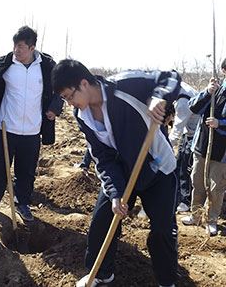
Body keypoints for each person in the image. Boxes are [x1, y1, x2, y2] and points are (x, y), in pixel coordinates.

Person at [51, 59, 180, 287]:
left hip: (158, 168)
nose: (69, 103)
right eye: (65, 99)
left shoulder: (125, 86)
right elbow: (102, 156)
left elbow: (170, 77)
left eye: (70, 96)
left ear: (83, 83)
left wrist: (159, 97)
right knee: (102, 221)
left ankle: (167, 281)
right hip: (122, 171)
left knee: (162, 229)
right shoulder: (82, 116)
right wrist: (115, 193)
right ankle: (101, 274)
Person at [0, 26, 63, 221]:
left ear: (32, 47)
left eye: (21, 47)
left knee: (26, 172)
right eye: (15, 46)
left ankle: (22, 203)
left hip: (32, 130)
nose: (16, 51)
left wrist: (54, 107)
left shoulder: (46, 66)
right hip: (6, 128)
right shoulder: (7, 63)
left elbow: (59, 89)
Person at [181, 64, 226, 236]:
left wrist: (220, 123)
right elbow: (193, 107)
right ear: (224, 71)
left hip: (221, 153)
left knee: (216, 188)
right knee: (197, 182)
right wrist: (207, 92)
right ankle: (196, 215)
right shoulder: (214, 89)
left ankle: (211, 220)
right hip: (202, 146)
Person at [168, 82, 200, 212]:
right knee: (179, 164)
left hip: (195, 135)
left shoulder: (183, 101)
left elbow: (176, 131)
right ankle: (178, 197)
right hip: (189, 133)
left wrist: (165, 148)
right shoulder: (180, 87)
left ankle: (185, 201)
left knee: (185, 168)